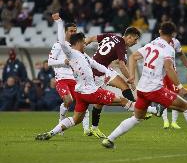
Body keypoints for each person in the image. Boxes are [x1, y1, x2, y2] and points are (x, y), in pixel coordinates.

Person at [101, 22, 187, 149]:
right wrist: (180, 87)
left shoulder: (152, 43)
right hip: (154, 89)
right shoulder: (168, 49)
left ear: (160, 32)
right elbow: (169, 69)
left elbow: (133, 57)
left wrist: (132, 76)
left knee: (137, 117)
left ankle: (109, 139)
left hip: (142, 89)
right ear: (173, 34)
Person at [35, 13, 135, 141]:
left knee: (76, 118)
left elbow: (97, 64)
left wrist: (109, 73)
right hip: (88, 91)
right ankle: (149, 109)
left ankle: (52, 133)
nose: (85, 43)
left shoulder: (84, 55)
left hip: (80, 89)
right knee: (121, 101)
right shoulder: (69, 52)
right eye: (83, 42)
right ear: (78, 42)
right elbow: (59, 46)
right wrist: (59, 23)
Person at [84, 27, 160, 138]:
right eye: (135, 39)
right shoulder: (121, 46)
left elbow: (90, 38)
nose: (136, 42)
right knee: (100, 102)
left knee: (124, 86)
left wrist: (79, 48)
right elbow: (122, 66)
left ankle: (136, 110)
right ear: (129, 37)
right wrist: (131, 79)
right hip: (96, 74)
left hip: (103, 69)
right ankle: (141, 109)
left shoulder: (111, 35)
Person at [48, 22, 91, 135]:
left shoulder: (77, 47)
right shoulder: (58, 45)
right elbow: (50, 61)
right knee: (68, 100)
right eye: (71, 31)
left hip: (75, 79)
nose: (73, 33)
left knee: (84, 101)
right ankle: (61, 121)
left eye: (75, 31)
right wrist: (64, 62)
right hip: (62, 78)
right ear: (65, 32)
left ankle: (86, 130)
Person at [162, 37, 187, 129]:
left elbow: (181, 54)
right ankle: (165, 121)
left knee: (176, 95)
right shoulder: (157, 41)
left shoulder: (175, 42)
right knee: (162, 95)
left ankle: (174, 122)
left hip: (172, 71)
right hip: (160, 72)